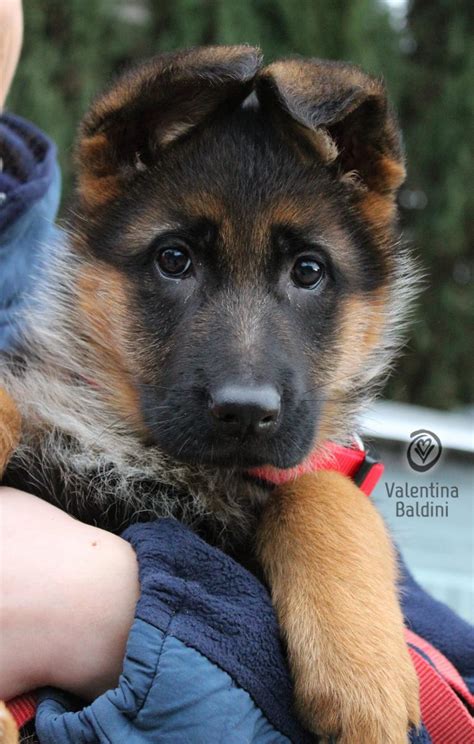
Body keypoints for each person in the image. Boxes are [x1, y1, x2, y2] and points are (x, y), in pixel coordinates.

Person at [0, 3, 471, 743]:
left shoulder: (317, 497)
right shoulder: (27, 401)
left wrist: (325, 519)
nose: (245, 378)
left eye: (307, 272)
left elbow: (452, 712)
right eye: (175, 260)